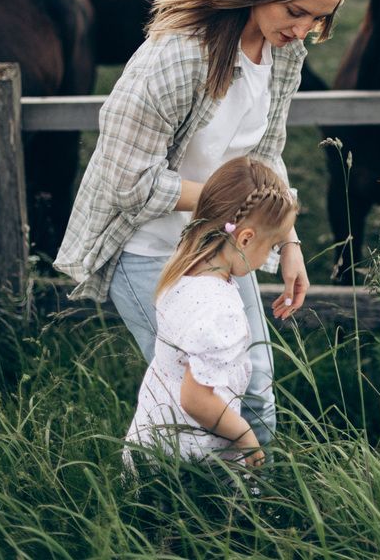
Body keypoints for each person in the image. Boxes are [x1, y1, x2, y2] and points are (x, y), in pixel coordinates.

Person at [54, 0, 350, 445]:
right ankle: (170, 491)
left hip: (225, 244)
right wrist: (231, 202)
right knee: (196, 400)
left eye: (319, 18)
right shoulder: (179, 54)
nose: (303, 29)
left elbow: (265, 156)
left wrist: (288, 242)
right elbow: (129, 183)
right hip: (148, 247)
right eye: (295, 11)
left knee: (254, 389)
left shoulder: (283, 54)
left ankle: (258, 493)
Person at [123, 156, 296, 472]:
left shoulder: (183, 269)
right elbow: (196, 399)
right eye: (272, 247)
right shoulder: (219, 310)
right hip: (192, 462)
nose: (269, 256)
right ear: (245, 238)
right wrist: (244, 435)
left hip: (154, 443)